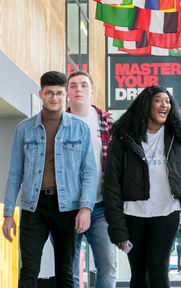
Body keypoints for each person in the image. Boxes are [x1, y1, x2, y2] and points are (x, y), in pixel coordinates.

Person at [2, 71, 97, 287]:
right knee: (29, 269)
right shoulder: (24, 129)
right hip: (33, 207)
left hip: (68, 207)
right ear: (41, 94)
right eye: (49, 93)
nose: (54, 98)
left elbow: (90, 172)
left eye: (59, 94)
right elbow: (14, 174)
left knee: (65, 272)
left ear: (65, 95)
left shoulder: (80, 128)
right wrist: (8, 214)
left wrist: (86, 208)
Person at [103, 86, 181, 288]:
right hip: (133, 215)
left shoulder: (178, 139)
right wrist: (118, 230)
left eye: (167, 101)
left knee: (158, 269)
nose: (164, 105)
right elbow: (112, 186)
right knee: (139, 274)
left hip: (166, 214)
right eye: (158, 100)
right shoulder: (124, 139)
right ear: (146, 104)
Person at [66, 70, 117, 288]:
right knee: (69, 268)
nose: (79, 89)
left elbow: (117, 164)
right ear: (67, 92)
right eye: (74, 85)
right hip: (66, 206)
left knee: (108, 265)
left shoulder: (106, 121)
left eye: (84, 85)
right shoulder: (59, 122)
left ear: (92, 91)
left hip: (101, 207)